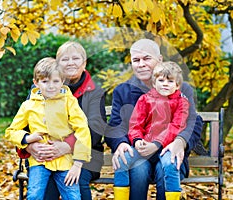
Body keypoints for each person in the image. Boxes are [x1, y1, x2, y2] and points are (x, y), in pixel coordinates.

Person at [105, 39, 203, 200]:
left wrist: (180, 141)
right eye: (136, 60)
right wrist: (121, 143)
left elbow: (193, 121)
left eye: (147, 58)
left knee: (166, 167)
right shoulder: (123, 91)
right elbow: (115, 125)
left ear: (160, 60)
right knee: (138, 169)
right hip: (138, 153)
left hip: (168, 152)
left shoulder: (181, 88)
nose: (141, 64)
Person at [16, 41, 107, 200]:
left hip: (85, 155)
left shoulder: (94, 91)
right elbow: (24, 124)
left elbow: (95, 129)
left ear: (84, 63)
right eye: (65, 59)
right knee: (44, 191)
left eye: (76, 58)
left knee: (76, 182)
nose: (70, 63)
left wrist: (67, 146)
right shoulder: (40, 88)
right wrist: (30, 146)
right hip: (44, 153)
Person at [5, 57, 91, 200]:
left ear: (62, 81)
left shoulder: (69, 102)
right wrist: (27, 138)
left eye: (56, 81)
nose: (51, 86)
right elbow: (11, 131)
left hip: (65, 161)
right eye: (45, 81)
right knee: (34, 195)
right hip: (39, 161)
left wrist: (77, 164)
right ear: (36, 83)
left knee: (73, 196)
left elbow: (82, 130)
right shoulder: (29, 105)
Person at [114, 61, 190, 199]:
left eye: (170, 81)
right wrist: (137, 140)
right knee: (122, 159)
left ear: (177, 85)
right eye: (161, 80)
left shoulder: (182, 102)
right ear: (154, 83)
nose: (165, 84)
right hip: (144, 147)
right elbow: (135, 123)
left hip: (166, 147)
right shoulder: (145, 99)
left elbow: (176, 126)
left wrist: (157, 144)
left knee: (170, 164)